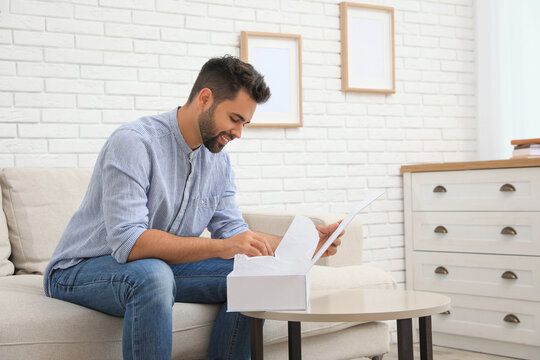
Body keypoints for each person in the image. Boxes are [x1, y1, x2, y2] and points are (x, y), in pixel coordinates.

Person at [43, 55, 343, 360]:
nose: (239, 133)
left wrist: (308, 243)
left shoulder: (218, 162)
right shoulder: (134, 143)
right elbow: (129, 244)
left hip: (158, 264)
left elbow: (236, 235)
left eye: (245, 123)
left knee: (258, 275)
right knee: (153, 275)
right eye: (234, 119)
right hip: (81, 269)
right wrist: (220, 247)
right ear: (205, 98)